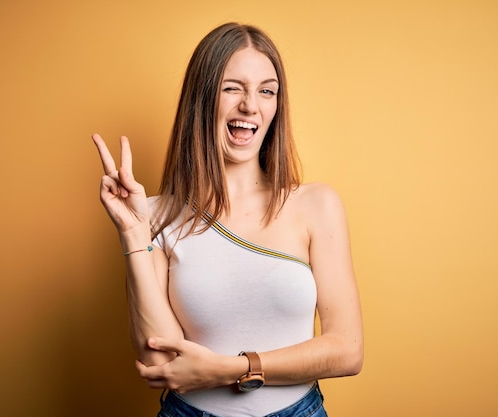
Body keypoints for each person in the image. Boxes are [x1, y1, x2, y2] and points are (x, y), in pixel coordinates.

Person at [92, 22, 363, 417]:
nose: (251, 105)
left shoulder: (316, 205)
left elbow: (347, 349)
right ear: (202, 99)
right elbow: (159, 362)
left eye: (266, 91)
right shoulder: (155, 215)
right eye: (232, 87)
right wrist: (134, 235)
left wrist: (232, 369)